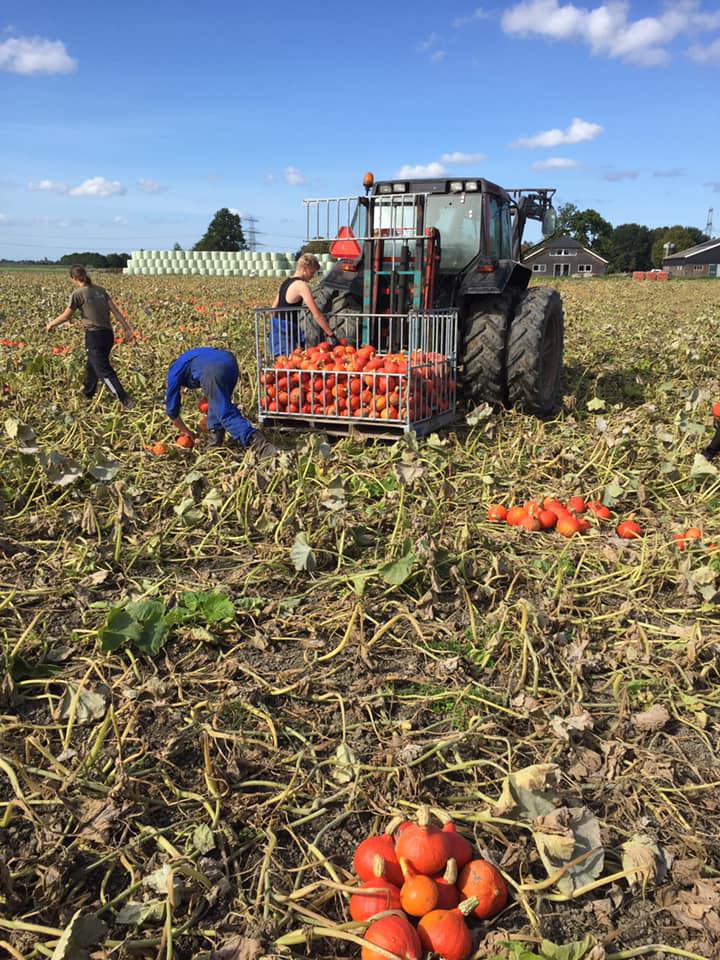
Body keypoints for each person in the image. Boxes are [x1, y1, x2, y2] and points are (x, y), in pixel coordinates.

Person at [46, 265, 135, 408]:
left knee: (104, 370)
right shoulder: (101, 291)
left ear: (73, 278)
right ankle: (88, 394)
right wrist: (127, 328)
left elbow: (66, 315)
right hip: (108, 335)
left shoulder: (78, 293)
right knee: (92, 365)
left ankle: (125, 400)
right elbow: (116, 311)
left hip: (94, 336)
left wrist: (51, 324)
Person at [165, 347, 277, 458]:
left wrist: (187, 432)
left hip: (212, 369)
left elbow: (172, 411)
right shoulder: (188, 357)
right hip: (230, 362)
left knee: (225, 412)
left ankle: (260, 445)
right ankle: (215, 443)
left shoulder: (174, 371)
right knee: (218, 403)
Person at [270, 252, 338, 356]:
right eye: (312, 272)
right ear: (305, 268)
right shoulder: (302, 286)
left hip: (277, 326)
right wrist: (331, 334)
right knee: (292, 363)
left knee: (281, 363)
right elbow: (316, 314)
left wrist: (274, 327)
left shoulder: (286, 282)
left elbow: (273, 307)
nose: (312, 276)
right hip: (288, 329)